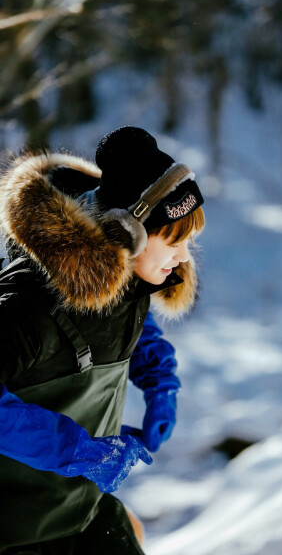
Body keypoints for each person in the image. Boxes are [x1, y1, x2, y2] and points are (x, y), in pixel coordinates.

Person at [0, 126, 205, 554]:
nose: (185, 256)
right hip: (16, 532)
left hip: (83, 512)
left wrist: (160, 378)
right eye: (176, 239)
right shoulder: (31, 307)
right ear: (127, 231)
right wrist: (74, 449)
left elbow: (124, 321)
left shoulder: (125, 275)